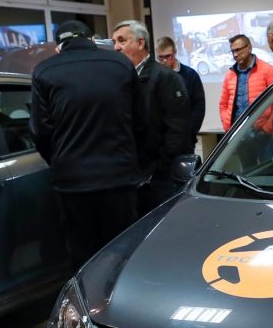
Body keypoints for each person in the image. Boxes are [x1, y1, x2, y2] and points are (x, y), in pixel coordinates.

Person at [30, 20, 141, 270]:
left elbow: (40, 131)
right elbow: (141, 121)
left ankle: (87, 295)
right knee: (122, 252)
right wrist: (135, 164)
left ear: (59, 46)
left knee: (83, 254)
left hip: (73, 182)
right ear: (92, 40)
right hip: (119, 177)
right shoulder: (120, 64)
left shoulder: (45, 71)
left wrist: (59, 161)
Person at [111, 20, 191, 216]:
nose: (116, 47)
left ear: (140, 43)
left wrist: (158, 169)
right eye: (114, 42)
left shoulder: (165, 77)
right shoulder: (118, 79)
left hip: (159, 176)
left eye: (122, 40)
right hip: (131, 174)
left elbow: (177, 128)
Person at [156, 35, 205, 154]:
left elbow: (199, 106)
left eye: (168, 56)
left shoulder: (190, 75)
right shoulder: (155, 77)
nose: (164, 61)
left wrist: (190, 132)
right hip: (160, 143)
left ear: (175, 53)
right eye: (160, 57)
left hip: (185, 141)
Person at [219, 34, 273, 132]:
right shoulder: (230, 75)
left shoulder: (268, 71)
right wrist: (226, 124)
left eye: (238, 50)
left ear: (249, 48)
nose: (235, 55)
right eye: (233, 51)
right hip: (236, 132)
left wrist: (267, 127)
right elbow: (223, 104)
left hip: (260, 132)